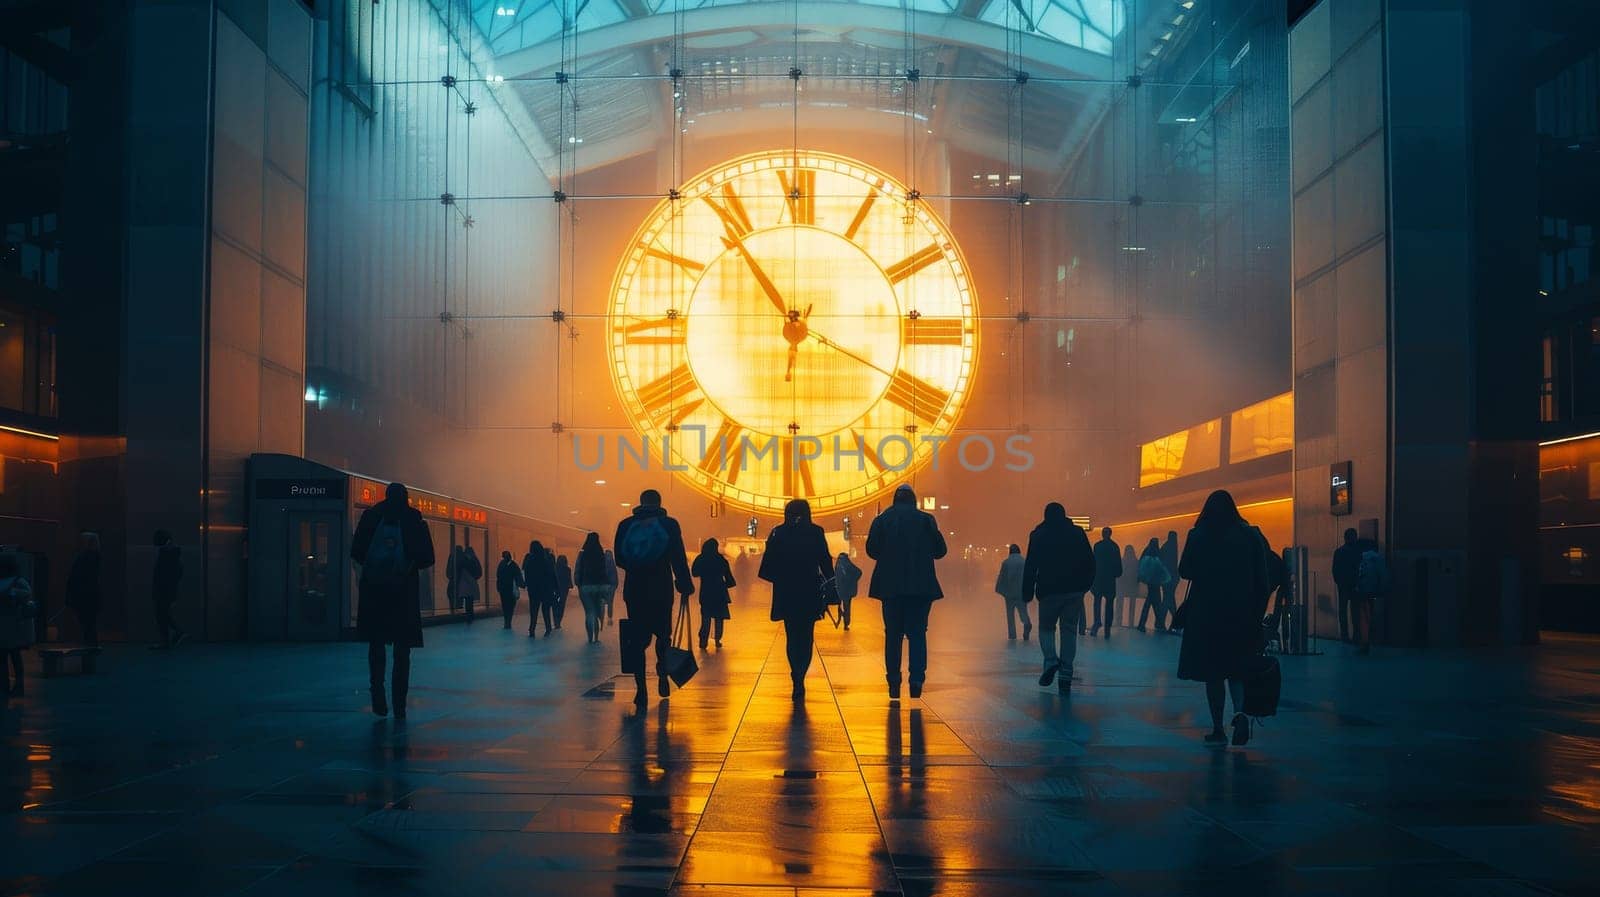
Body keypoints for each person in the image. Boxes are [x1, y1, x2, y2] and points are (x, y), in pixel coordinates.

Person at [1176, 489, 1270, 746]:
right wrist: (1257, 616)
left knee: (1213, 673)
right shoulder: (1250, 536)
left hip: (1206, 615)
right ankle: (1239, 713)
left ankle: (1218, 728)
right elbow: (1263, 580)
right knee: (1237, 668)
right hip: (1241, 614)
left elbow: (1184, 571)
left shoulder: (1199, 535)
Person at [351, 482, 436, 719]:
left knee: (376, 646)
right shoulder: (413, 519)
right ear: (406, 497)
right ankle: (399, 703)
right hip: (402, 593)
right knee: (402, 650)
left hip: (375, 593)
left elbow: (356, 551)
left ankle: (377, 692)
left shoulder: (370, 517)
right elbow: (428, 557)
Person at [865, 483, 947, 700]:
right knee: (918, 633)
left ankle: (893, 681)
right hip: (921, 587)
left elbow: (872, 550)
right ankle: (916, 680)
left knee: (893, 634)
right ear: (913, 499)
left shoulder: (882, 520)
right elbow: (941, 551)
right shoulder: (926, 520)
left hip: (890, 588)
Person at [613, 489, 694, 706]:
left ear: (640, 502)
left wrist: (637, 566)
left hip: (635, 588)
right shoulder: (669, 524)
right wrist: (685, 584)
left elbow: (619, 558)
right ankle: (662, 672)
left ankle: (641, 689)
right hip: (661, 587)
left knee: (638, 640)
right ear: (659, 503)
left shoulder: (625, 525)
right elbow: (678, 557)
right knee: (663, 634)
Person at [760, 499, 833, 701]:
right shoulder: (816, 532)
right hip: (809, 590)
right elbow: (825, 561)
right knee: (806, 635)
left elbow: (767, 567)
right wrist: (831, 584)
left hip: (787, 591)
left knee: (792, 636)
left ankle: (796, 676)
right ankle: (801, 673)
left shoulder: (778, 533)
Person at [1021, 503, 1096, 696]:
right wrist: (1085, 586)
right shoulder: (1078, 533)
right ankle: (1066, 674)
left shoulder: (1038, 535)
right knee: (1069, 631)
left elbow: (1030, 566)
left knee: (1046, 628)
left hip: (1049, 591)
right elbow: (1090, 561)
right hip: (1074, 591)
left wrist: (1027, 592)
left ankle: (1051, 660)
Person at [0, 553, 36, 697]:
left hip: (7, 624)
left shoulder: (13, 581)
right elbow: (27, 593)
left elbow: (26, 594)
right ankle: (15, 685)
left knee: (5, 657)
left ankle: (7, 686)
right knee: (13, 656)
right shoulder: (18, 580)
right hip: (12, 624)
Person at [692, 538, 736, 650]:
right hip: (720, 594)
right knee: (719, 618)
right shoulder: (721, 560)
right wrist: (722, 585)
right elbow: (730, 580)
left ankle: (703, 641)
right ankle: (717, 640)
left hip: (706, 592)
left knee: (705, 618)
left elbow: (694, 573)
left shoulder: (701, 559)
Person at [65, 532, 103, 646]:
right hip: (91, 596)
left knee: (87, 625)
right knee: (89, 625)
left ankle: (90, 649)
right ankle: (91, 648)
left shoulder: (84, 557)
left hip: (83, 596)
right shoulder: (96, 557)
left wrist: (70, 596)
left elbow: (75, 578)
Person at [151, 530, 187, 649]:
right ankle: (169, 639)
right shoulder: (173, 555)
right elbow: (178, 573)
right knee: (163, 614)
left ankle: (171, 637)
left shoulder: (166, 555)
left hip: (163, 590)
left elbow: (161, 575)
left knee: (161, 614)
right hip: (168, 590)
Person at [1353, 540, 1389, 655]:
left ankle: (1364, 642)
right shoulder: (1378, 558)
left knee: (1363, 617)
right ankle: (1375, 639)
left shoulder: (1360, 558)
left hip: (1362, 591)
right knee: (1373, 615)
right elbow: (1383, 575)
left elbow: (1356, 574)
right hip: (1374, 590)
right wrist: (1383, 589)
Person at [574, 533, 609, 644]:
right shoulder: (601, 554)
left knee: (589, 613)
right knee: (596, 611)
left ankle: (589, 638)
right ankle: (596, 638)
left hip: (585, 586)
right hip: (599, 586)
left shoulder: (582, 554)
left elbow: (578, 569)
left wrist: (578, 584)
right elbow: (605, 571)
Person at [1331, 528, 1364, 643]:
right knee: (1355, 612)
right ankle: (1357, 635)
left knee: (1343, 611)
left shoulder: (1339, 552)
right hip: (1354, 585)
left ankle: (1344, 636)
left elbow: (1335, 570)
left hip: (1343, 585)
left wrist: (1339, 582)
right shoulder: (1359, 552)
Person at [1090, 527, 1122, 639]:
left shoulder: (1097, 546)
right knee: (1109, 604)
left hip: (1098, 579)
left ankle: (1096, 623)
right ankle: (1107, 628)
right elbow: (1119, 568)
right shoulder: (1115, 547)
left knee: (1097, 601)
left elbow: (1093, 563)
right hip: (1109, 581)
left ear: (1102, 534)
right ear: (1110, 534)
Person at [994, 544, 1030, 640]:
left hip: (1009, 593)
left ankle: (1012, 635)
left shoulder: (1006, 563)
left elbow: (1002, 576)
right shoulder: (1024, 561)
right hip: (1021, 592)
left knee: (1010, 615)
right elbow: (1028, 577)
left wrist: (999, 589)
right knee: (1023, 611)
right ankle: (1026, 623)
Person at [522, 541, 557, 637]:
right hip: (546, 588)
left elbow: (526, 572)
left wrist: (526, 584)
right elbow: (551, 574)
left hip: (533, 588)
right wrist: (555, 588)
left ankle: (532, 629)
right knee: (545, 609)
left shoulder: (529, 559)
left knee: (534, 609)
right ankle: (548, 628)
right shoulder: (546, 559)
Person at [1136, 538, 1171, 632]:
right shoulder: (1158, 554)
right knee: (1155, 603)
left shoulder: (1146, 553)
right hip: (1156, 582)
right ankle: (1159, 624)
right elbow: (1162, 567)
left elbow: (1140, 565)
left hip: (1150, 582)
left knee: (1150, 603)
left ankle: (1143, 624)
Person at [449, 544, 483, 622]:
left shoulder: (458, 559)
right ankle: (469, 616)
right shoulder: (473, 559)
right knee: (469, 600)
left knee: (461, 599)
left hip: (462, 582)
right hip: (470, 583)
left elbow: (452, 570)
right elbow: (478, 572)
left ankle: (461, 615)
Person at [495, 550, 524, 630]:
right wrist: (522, 584)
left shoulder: (501, 565)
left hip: (503, 589)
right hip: (510, 589)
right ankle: (508, 621)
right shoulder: (514, 565)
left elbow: (498, 576)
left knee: (505, 605)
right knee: (510, 606)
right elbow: (518, 576)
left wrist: (498, 587)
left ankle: (507, 621)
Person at [834, 552, 862, 631]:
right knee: (847, 607)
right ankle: (845, 623)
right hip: (846, 590)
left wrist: (851, 580)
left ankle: (844, 620)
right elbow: (859, 572)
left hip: (841, 590)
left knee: (844, 607)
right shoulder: (847, 563)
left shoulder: (839, 565)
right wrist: (852, 581)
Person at [1160, 530, 1181, 630]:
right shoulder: (1173, 547)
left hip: (1165, 578)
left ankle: (1164, 621)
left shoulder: (1165, 546)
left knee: (1168, 599)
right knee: (1169, 599)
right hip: (1172, 577)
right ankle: (1175, 621)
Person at [1119, 544, 1140, 627]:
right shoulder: (1136, 561)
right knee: (1132, 604)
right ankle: (1131, 622)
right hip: (1132, 586)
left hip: (1123, 586)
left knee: (1120, 603)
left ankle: (1119, 621)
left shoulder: (1122, 561)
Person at [554, 554, 573, 630]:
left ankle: (556, 621)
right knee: (562, 606)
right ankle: (558, 622)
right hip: (564, 590)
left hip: (556, 589)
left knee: (555, 605)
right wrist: (570, 585)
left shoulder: (555, 568)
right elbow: (568, 579)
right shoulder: (568, 569)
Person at [603, 549, 618, 626]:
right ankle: (609, 619)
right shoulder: (612, 563)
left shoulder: (602, 563)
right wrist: (616, 585)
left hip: (605, 585)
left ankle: (601, 618)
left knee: (602, 601)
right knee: (610, 603)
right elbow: (615, 575)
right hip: (612, 585)